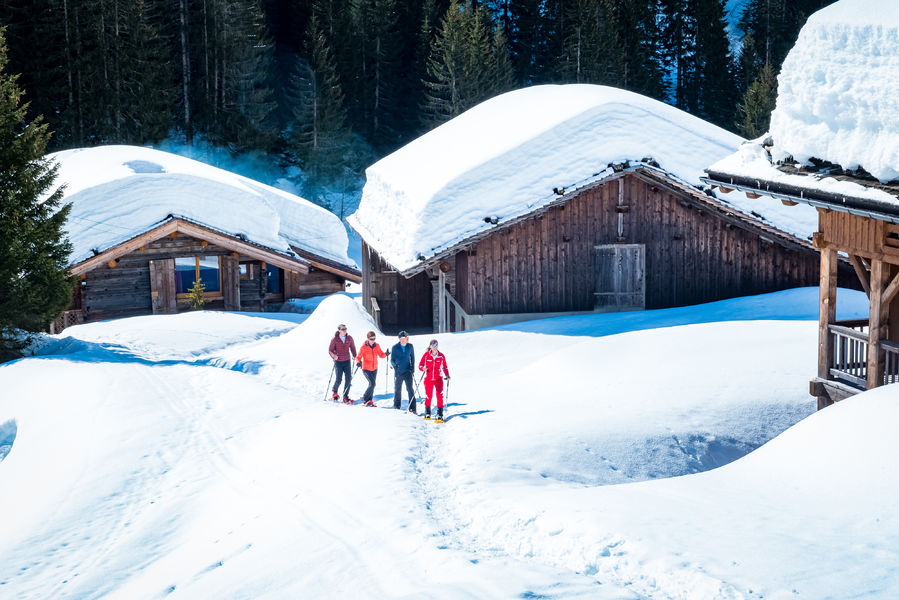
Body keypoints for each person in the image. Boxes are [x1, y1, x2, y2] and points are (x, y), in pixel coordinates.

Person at [418, 339, 450, 421]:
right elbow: (420, 365)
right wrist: (423, 368)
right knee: (428, 396)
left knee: (439, 396)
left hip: (438, 379)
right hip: (428, 379)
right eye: (433, 345)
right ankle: (427, 413)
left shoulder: (441, 356)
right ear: (430, 346)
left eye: (436, 345)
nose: (435, 347)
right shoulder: (426, 355)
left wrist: (447, 375)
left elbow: (444, 367)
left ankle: (440, 414)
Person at [356, 330, 387, 407]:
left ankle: (370, 400)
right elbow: (358, 357)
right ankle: (365, 397)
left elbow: (381, 355)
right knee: (372, 383)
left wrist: (386, 354)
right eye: (371, 339)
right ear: (368, 339)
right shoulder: (364, 347)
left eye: (374, 339)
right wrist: (358, 362)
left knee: (372, 385)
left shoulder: (377, 346)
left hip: (374, 368)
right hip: (366, 368)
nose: (373, 341)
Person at [328, 324, 357, 403]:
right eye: (343, 329)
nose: (344, 330)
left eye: (345, 329)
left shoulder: (349, 338)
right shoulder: (335, 339)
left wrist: (355, 356)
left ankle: (345, 395)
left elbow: (353, 348)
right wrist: (334, 356)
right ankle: (335, 391)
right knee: (339, 379)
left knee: (348, 379)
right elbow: (330, 350)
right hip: (338, 362)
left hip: (347, 361)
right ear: (339, 330)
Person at [390, 330, 416, 413]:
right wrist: (394, 365)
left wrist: (412, 368)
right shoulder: (395, 347)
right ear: (399, 339)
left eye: (404, 338)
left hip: (408, 371)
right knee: (397, 390)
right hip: (398, 371)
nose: (403, 340)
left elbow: (412, 358)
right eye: (401, 338)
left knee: (410, 390)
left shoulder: (410, 346)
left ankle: (412, 408)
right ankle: (397, 407)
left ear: (407, 338)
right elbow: (392, 359)